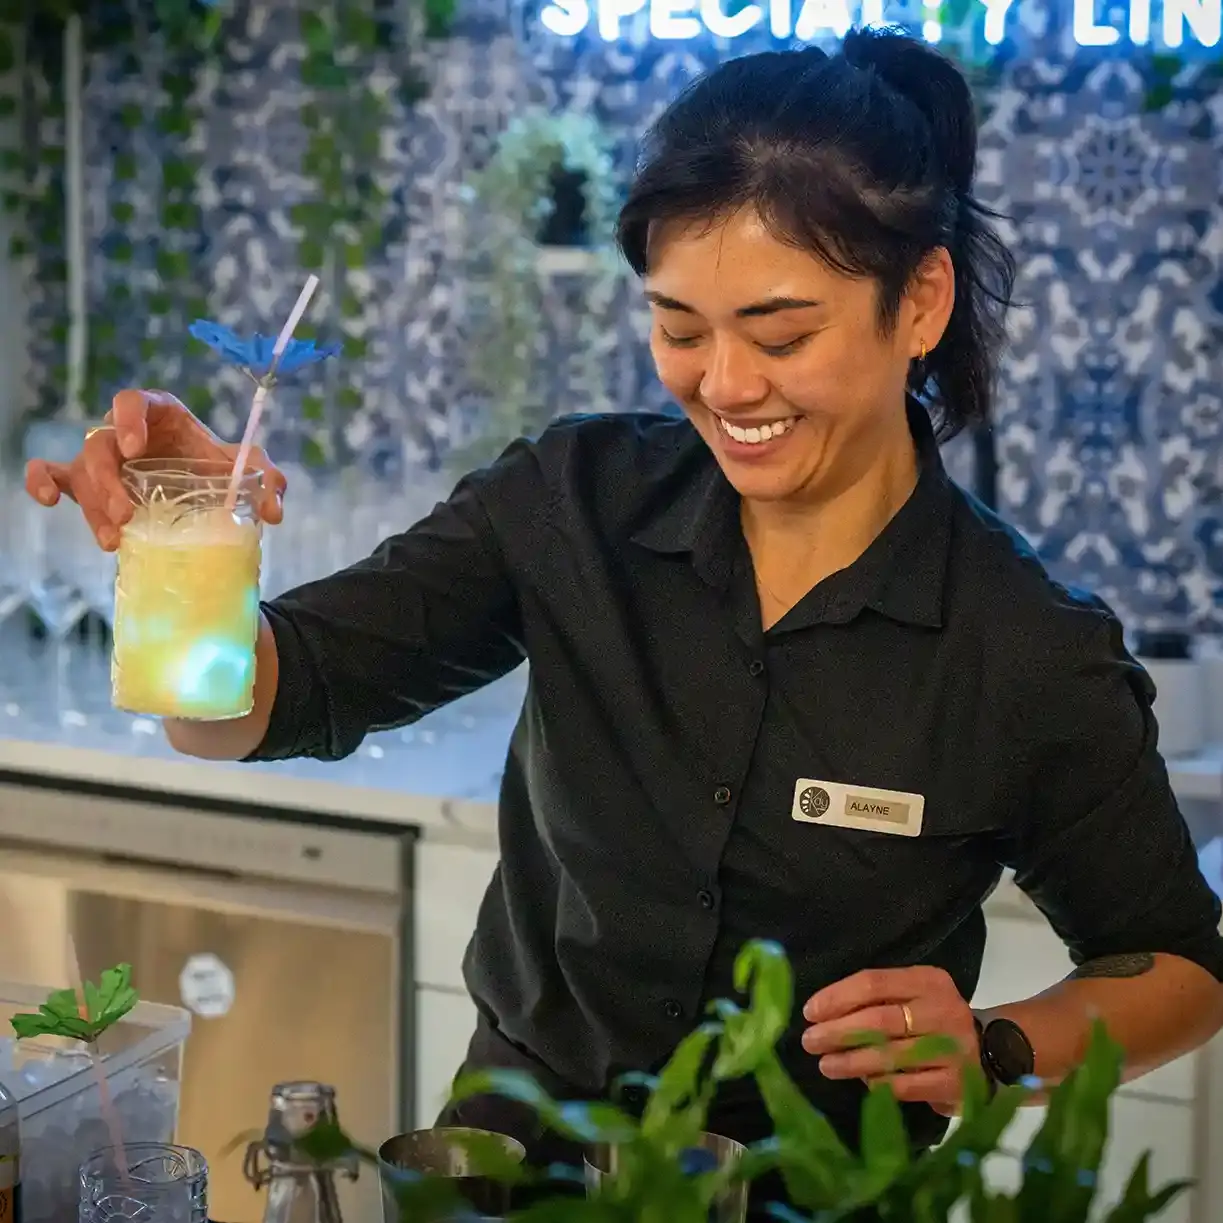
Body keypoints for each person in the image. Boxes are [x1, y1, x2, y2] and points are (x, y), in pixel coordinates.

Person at [27, 25, 1223, 1216]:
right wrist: (180, 552)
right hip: (501, 1181)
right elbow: (250, 705)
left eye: (781, 332)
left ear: (918, 302)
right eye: (679, 328)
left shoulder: (1020, 646)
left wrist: (998, 1046)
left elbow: (1180, 960)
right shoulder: (570, 503)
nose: (726, 384)